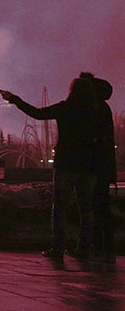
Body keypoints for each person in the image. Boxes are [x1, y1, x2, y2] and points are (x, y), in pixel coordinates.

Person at [1, 77, 102, 261]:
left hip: (66, 163)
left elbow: (37, 114)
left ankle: (58, 248)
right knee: (87, 208)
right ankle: (84, 246)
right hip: (89, 165)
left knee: (59, 208)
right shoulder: (95, 111)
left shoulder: (65, 107)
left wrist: (15, 99)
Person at [82, 72, 116, 263]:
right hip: (103, 165)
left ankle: (96, 244)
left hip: (95, 166)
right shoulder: (103, 107)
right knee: (101, 206)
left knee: (95, 205)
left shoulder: (95, 109)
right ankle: (105, 245)